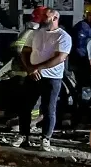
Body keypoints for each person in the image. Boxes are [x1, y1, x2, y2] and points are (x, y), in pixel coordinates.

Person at [11, 8, 72, 151]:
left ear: (55, 18)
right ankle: (23, 135)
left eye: (46, 16)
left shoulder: (63, 36)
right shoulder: (35, 33)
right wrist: (29, 69)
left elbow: (60, 57)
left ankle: (45, 138)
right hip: (33, 75)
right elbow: (25, 52)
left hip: (52, 77)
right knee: (25, 106)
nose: (42, 18)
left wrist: (38, 68)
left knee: (49, 108)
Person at [70, 3, 91, 122]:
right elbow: (80, 47)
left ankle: (85, 113)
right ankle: (81, 115)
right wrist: (89, 62)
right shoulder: (82, 27)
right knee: (84, 89)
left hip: (90, 64)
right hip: (82, 65)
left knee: (88, 89)